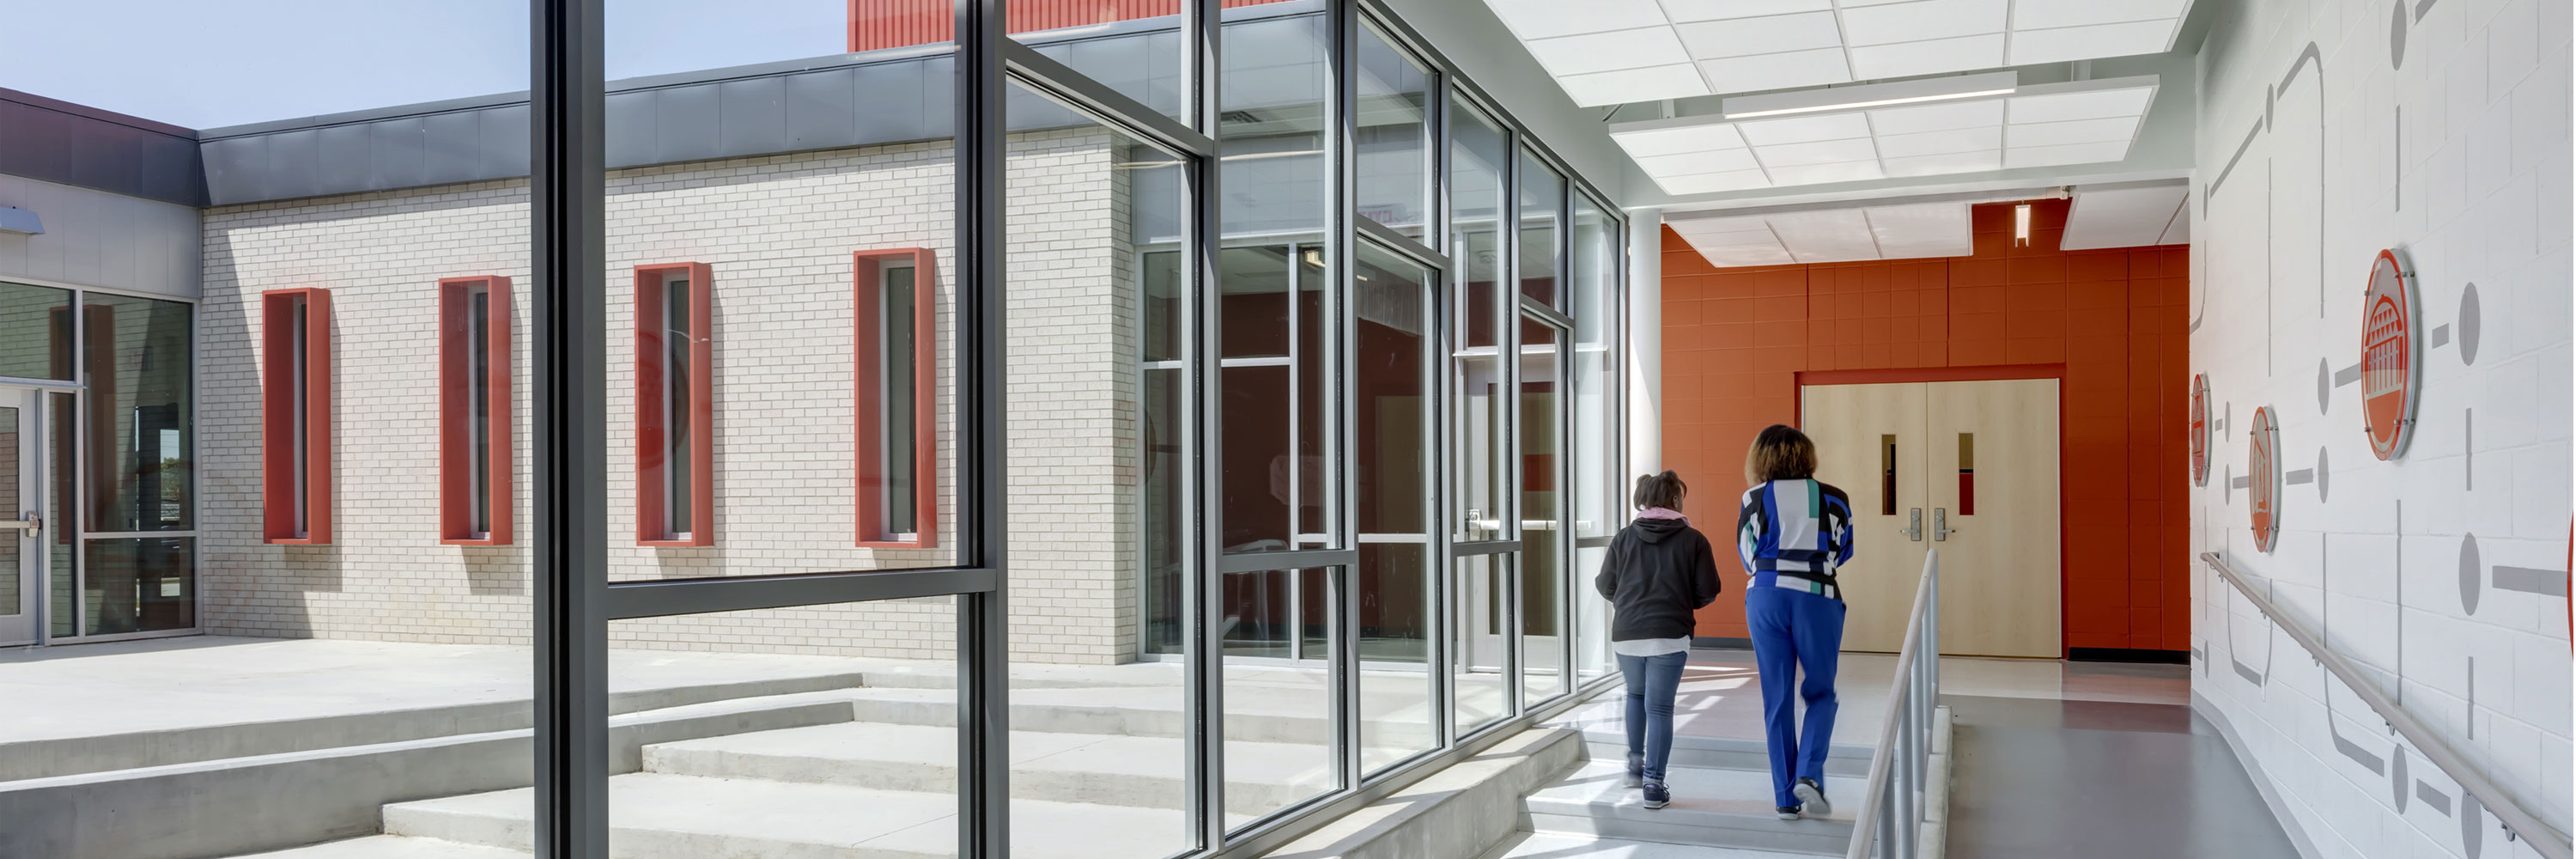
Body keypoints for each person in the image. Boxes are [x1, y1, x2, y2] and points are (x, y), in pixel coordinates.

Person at [1735, 424, 1855, 820]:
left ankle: (1785, 798)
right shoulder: (1836, 499)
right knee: (1821, 693)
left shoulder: (1753, 498)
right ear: (1808, 456)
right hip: (1817, 597)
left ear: (1760, 458)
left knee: (1777, 699)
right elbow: (1844, 550)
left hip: (1766, 595)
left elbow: (1746, 554)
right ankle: (1810, 775)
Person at [1592, 470, 1722, 810]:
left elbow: (1605, 585)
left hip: (1627, 633)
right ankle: (1653, 783)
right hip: (1669, 634)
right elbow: (1709, 590)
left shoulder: (1623, 538)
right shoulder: (1694, 540)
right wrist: (1682, 601)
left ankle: (1635, 766)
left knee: (1635, 694)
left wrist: (1628, 602)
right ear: (1675, 500)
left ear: (1643, 500)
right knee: (1660, 707)